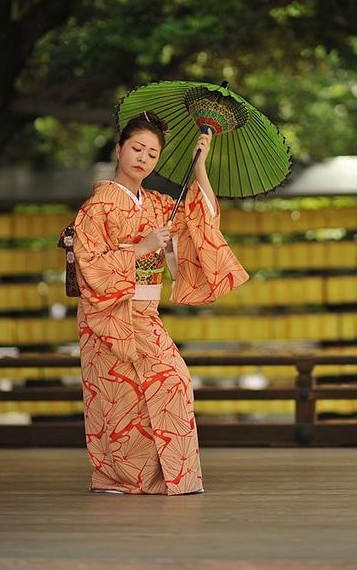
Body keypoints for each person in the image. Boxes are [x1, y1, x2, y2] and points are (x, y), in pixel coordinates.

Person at [70, 110, 249, 495]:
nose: (143, 159)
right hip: (107, 312)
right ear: (119, 150)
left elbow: (202, 220)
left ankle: (166, 477)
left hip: (144, 312)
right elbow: (90, 266)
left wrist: (200, 164)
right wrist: (142, 248)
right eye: (137, 148)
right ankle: (115, 477)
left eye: (152, 154)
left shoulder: (156, 203)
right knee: (119, 399)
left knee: (173, 380)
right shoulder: (95, 208)